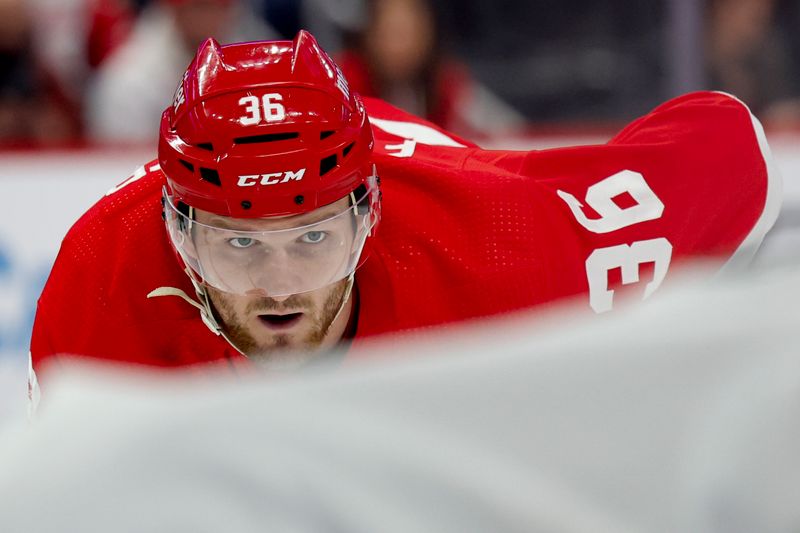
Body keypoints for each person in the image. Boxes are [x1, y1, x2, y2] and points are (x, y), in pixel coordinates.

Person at [30, 31, 780, 396]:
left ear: (369, 216)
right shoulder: (97, 297)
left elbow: (734, 152)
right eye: (240, 245)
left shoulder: (510, 247)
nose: (281, 287)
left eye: (314, 236)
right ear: (179, 240)